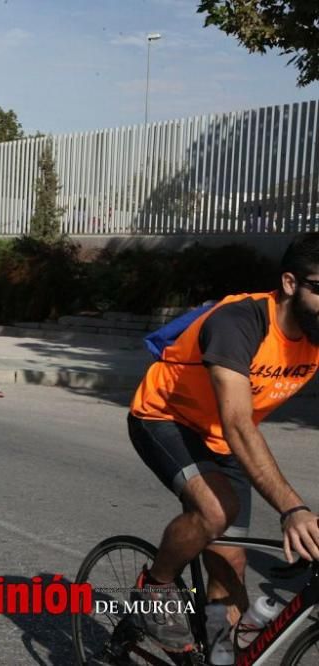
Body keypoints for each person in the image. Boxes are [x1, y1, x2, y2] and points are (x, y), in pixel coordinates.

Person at [126, 233, 319, 652]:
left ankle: (218, 652)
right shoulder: (239, 322)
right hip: (165, 418)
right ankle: (154, 588)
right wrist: (293, 508)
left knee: (231, 564)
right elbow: (236, 421)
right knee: (216, 510)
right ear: (291, 283)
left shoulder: (315, 333)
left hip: (223, 437)